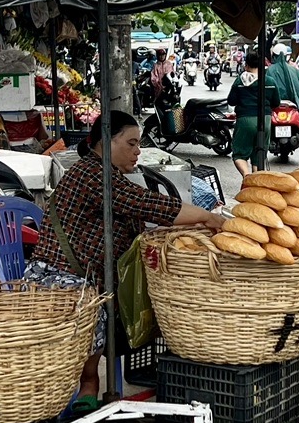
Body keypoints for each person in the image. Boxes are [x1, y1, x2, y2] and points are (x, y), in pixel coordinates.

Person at [28, 112, 226, 408]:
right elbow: (146, 204)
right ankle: (89, 383)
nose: (138, 151)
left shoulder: (107, 175)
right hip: (56, 278)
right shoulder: (92, 175)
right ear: (106, 142)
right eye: (131, 144)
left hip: (91, 278)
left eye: (138, 144)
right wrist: (209, 217)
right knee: (92, 308)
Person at [228, 49, 279, 176]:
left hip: (245, 120)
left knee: (239, 153)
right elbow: (276, 102)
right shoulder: (270, 81)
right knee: (259, 155)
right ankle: (256, 183)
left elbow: (231, 101)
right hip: (265, 120)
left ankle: (247, 176)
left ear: (246, 64)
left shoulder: (240, 81)